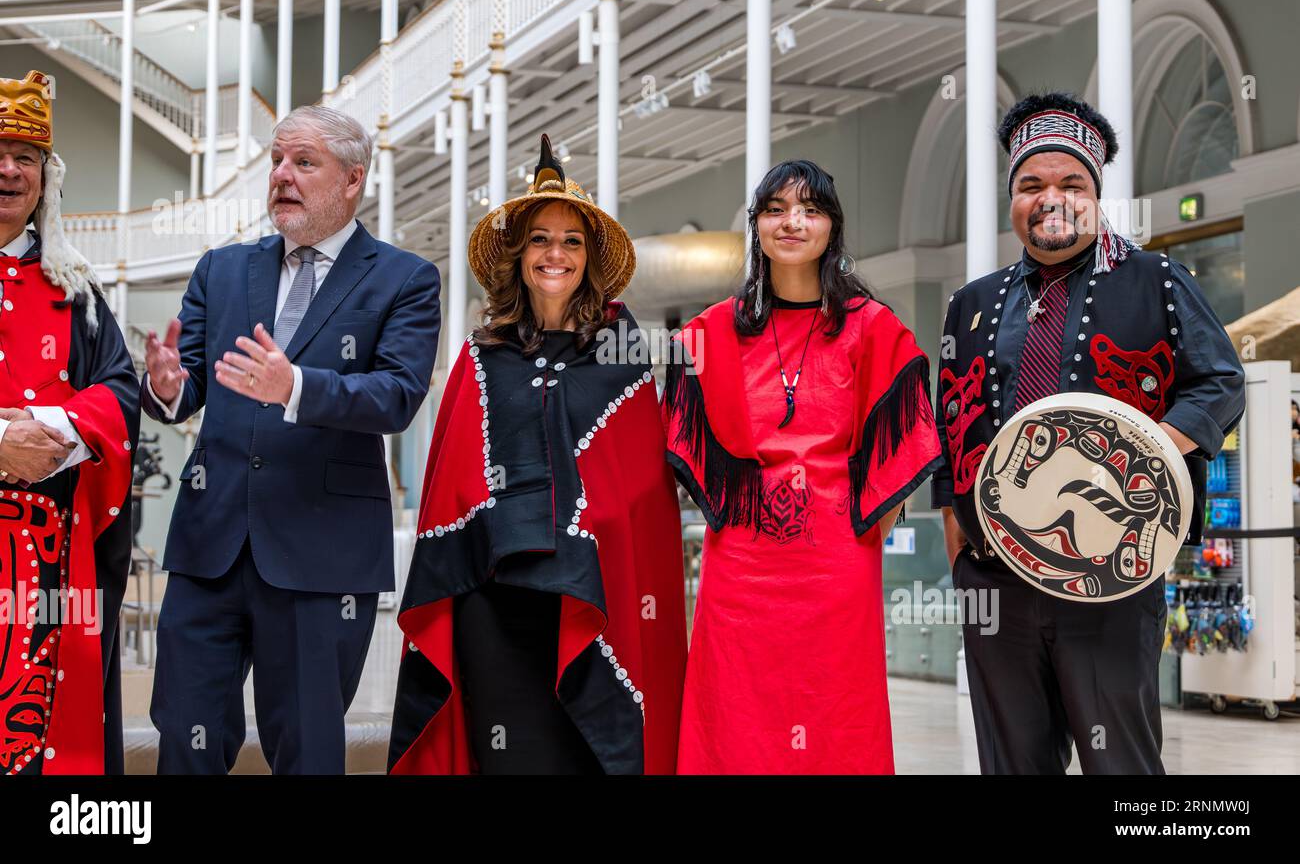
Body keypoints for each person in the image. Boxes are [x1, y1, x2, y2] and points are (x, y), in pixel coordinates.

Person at [934, 92, 1246, 774]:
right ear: (1012, 199)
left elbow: (1220, 382)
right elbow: (948, 430)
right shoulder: (972, 304)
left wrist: (1146, 449)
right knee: (1012, 763)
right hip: (996, 581)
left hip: (1114, 577)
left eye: (1072, 184)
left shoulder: (1155, 280)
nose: (1052, 199)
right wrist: (961, 555)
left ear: (1097, 195)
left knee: (1121, 764)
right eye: (1031, 185)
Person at [144, 105, 442, 774]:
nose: (282, 174)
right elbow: (188, 385)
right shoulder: (220, 271)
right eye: (277, 160)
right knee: (184, 739)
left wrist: (295, 387)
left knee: (307, 751)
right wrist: (166, 386)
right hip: (209, 547)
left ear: (352, 180)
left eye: (304, 162)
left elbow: (396, 395)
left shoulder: (405, 279)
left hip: (322, 556)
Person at [388, 135, 686, 775]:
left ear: (589, 258)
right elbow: (452, 481)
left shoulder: (621, 353)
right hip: (492, 598)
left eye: (572, 241)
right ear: (519, 255)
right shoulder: (481, 354)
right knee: (507, 755)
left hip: (589, 592)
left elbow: (639, 483)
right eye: (540, 240)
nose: (556, 254)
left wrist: (588, 526)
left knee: (582, 757)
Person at [662, 160, 943, 774]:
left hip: (836, 567)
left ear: (831, 228)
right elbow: (682, 441)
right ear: (757, 227)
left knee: (836, 711)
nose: (792, 222)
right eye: (776, 210)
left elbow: (905, 441)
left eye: (810, 210)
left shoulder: (871, 328)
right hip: (740, 569)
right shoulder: (714, 331)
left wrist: (859, 531)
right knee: (735, 713)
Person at [0, 70, 139, 774]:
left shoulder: (74, 287)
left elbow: (119, 390)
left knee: (44, 731)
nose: (8, 170)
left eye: (24, 157)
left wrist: (50, 435)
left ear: (45, 179)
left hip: (52, 557)